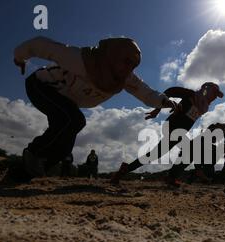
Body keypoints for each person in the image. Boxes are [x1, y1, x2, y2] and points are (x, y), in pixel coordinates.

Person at [11, 36, 175, 181]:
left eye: (133, 65)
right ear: (112, 56)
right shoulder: (79, 59)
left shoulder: (126, 78)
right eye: (126, 62)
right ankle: (33, 153)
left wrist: (164, 101)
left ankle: (22, 173)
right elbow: (41, 45)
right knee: (73, 120)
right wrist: (20, 58)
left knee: (65, 147)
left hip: (68, 102)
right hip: (41, 86)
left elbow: (145, 92)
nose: (129, 69)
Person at [111, 82, 224, 185]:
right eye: (214, 93)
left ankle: (125, 169)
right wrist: (157, 109)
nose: (214, 97)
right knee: (188, 151)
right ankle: (170, 177)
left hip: (179, 131)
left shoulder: (203, 106)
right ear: (206, 90)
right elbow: (169, 91)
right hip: (172, 127)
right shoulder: (191, 94)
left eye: (216, 96)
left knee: (156, 154)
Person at [168, 122, 225, 187]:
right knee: (182, 164)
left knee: (182, 164)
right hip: (194, 146)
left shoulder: (218, 129)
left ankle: (172, 179)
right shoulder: (218, 130)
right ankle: (172, 178)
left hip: (193, 146)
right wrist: (198, 167)